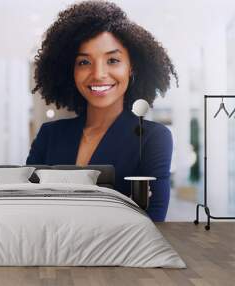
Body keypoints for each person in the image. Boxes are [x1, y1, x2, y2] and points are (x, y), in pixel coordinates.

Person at [26, 1, 178, 222]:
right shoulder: (50, 135)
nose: (98, 74)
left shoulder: (152, 138)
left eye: (113, 60)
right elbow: (28, 206)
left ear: (131, 67)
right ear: (71, 70)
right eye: (84, 62)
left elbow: (152, 220)